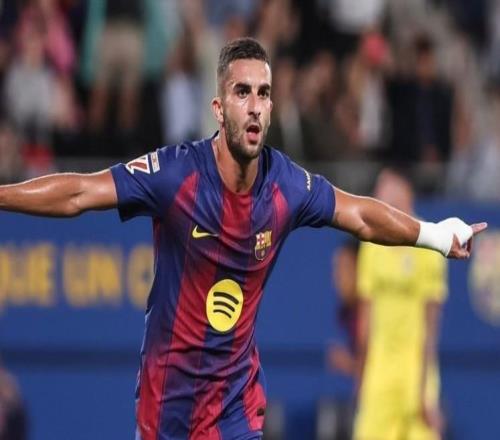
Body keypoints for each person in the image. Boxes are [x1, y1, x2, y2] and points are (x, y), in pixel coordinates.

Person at [0, 38, 486, 440]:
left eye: (264, 93)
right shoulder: (176, 173)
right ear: (218, 107)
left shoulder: (286, 185)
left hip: (237, 404)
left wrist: (436, 235)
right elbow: (80, 193)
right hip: (167, 406)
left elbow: (359, 214)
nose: (254, 106)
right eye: (241, 92)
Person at [354, 168, 449, 440]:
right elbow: (365, 320)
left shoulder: (431, 245)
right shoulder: (371, 246)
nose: (378, 195)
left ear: (404, 191)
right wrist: (362, 376)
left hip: (416, 370)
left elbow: (432, 323)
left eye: (385, 188)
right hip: (379, 371)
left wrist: (425, 388)